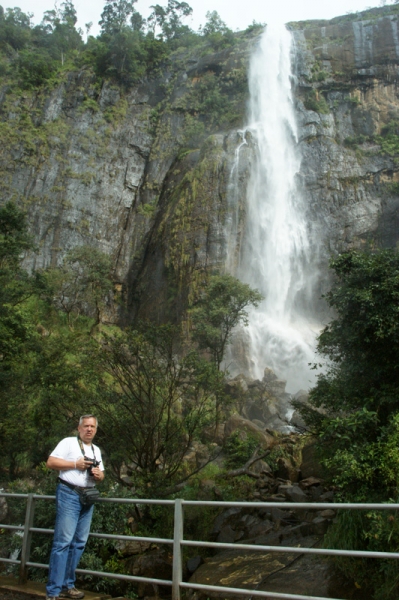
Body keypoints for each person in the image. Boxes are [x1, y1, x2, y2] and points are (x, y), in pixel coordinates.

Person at [45, 415, 105, 600]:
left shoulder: (96, 450)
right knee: (63, 542)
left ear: (95, 429)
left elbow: (102, 475)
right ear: (79, 429)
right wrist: (75, 464)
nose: (89, 429)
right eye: (86, 426)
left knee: (79, 543)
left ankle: (68, 585)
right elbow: (50, 462)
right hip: (69, 494)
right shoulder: (68, 443)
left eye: (92, 427)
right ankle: (53, 591)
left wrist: (97, 474)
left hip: (88, 497)